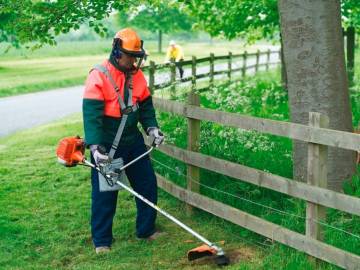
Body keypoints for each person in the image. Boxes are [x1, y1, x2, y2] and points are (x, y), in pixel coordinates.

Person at [82, 28, 164, 254]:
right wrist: (96, 148)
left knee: (147, 184)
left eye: (138, 56)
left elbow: (145, 106)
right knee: (106, 192)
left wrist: (152, 128)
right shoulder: (98, 75)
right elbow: (92, 116)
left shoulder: (136, 75)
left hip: (133, 141)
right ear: (117, 51)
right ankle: (102, 241)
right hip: (108, 144)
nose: (134, 61)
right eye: (131, 56)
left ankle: (146, 230)